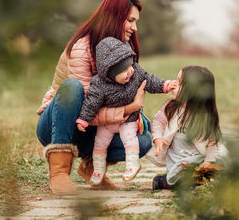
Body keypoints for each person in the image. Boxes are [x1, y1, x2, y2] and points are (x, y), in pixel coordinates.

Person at [36, 0, 153, 195]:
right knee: (73, 87)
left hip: (90, 130)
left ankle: (91, 166)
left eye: (136, 21)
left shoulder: (123, 49)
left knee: (143, 137)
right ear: (115, 18)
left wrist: (135, 113)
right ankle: (59, 171)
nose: (135, 28)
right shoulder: (82, 47)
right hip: (59, 125)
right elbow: (84, 109)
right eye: (130, 20)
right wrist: (128, 108)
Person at [76, 37, 178, 185]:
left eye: (129, 66)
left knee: (129, 138)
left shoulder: (136, 73)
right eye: (123, 71)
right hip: (108, 122)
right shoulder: (99, 84)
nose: (129, 72)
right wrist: (83, 119)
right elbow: (91, 102)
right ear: (109, 73)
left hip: (128, 119)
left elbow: (149, 81)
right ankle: (97, 169)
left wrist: (165, 85)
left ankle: (132, 165)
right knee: (100, 143)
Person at [145, 65, 229, 189]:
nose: (173, 84)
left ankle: (197, 179)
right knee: (183, 175)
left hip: (200, 159)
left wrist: (207, 162)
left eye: (179, 82)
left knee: (221, 162)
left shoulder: (205, 116)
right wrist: (157, 137)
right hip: (179, 162)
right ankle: (167, 182)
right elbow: (158, 121)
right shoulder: (171, 107)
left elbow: (213, 142)